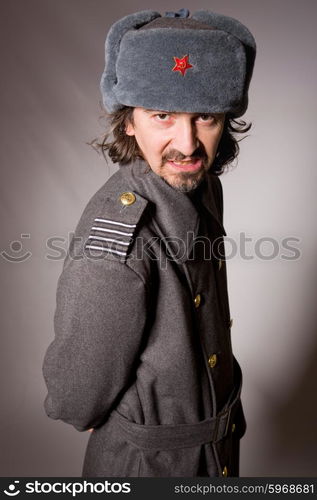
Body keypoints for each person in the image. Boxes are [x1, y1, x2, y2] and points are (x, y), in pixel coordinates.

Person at [42, 8, 256, 477]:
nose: (188, 144)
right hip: (149, 469)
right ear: (129, 123)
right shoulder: (120, 235)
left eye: (205, 117)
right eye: (162, 116)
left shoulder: (201, 186)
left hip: (214, 456)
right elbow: (76, 397)